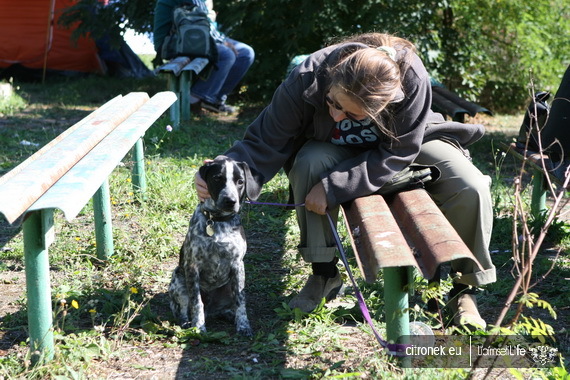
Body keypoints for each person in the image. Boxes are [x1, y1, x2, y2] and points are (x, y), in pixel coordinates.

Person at [195, 33, 496, 329]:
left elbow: (401, 150)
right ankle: (323, 274)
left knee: (472, 186)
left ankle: (464, 289)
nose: (338, 117)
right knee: (309, 163)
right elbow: (265, 140)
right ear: (332, 79)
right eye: (333, 103)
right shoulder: (308, 75)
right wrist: (223, 168)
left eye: (352, 113)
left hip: (406, 145)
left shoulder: (410, 75)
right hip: (333, 148)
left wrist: (336, 185)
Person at [153, 0, 255, 114]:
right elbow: (197, 22)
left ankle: (214, 100)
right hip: (173, 42)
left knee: (246, 53)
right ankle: (193, 99)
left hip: (194, 37)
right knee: (227, 54)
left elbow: (206, 21)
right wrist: (222, 42)